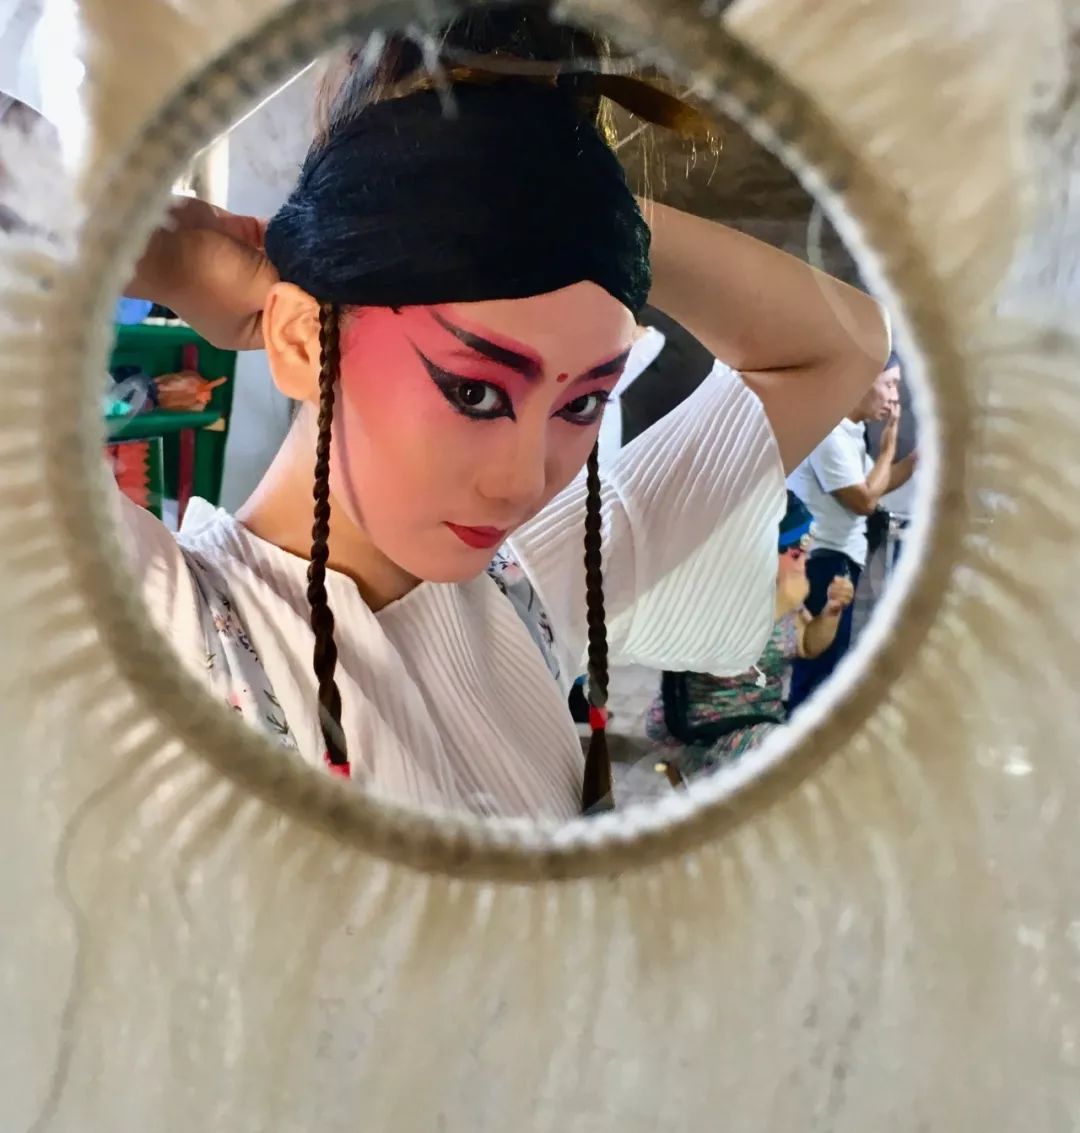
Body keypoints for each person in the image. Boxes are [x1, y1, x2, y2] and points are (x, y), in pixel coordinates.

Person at [116, 3, 890, 820]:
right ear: (303, 342)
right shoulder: (160, 635)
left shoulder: (531, 590)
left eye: (583, 401)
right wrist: (162, 248)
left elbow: (841, 346)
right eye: (475, 391)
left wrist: (567, 203)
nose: (525, 483)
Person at [644, 492, 855, 778]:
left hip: (760, 721)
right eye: (795, 554)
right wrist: (779, 605)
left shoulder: (776, 587)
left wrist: (831, 611)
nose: (803, 563)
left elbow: (807, 644)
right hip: (707, 728)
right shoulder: (712, 591)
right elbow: (718, 656)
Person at [785, 354, 916, 712]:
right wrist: (889, 448)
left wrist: (917, 458)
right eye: (889, 384)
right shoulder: (828, 433)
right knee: (818, 666)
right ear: (859, 382)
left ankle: (801, 730)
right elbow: (864, 501)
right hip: (821, 561)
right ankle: (799, 735)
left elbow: (877, 484)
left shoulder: (850, 433)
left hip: (834, 559)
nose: (894, 397)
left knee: (827, 664)